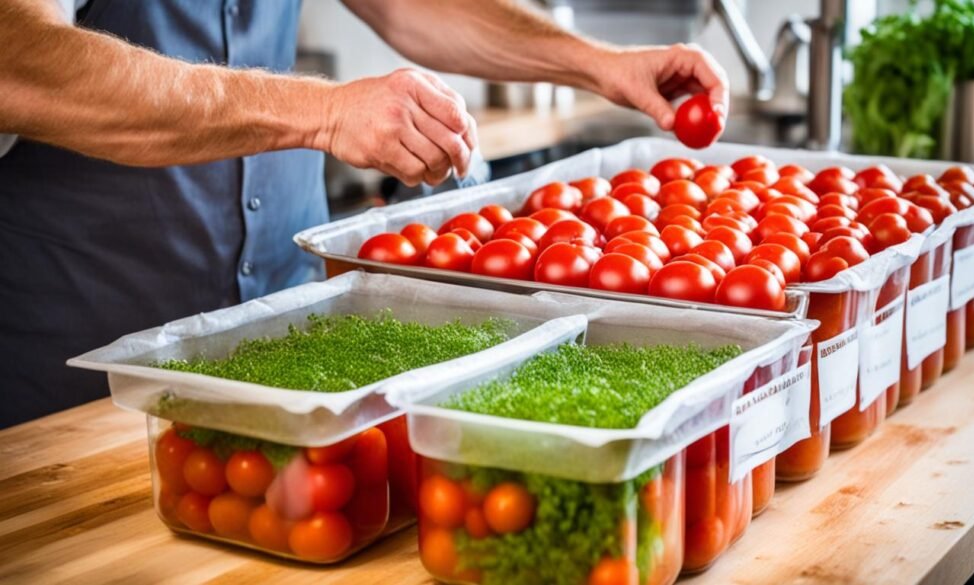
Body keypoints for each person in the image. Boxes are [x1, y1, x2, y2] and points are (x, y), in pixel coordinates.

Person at [0, 0, 729, 427]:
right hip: (82, 373)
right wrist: (321, 113)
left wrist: (595, 62)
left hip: (288, 341)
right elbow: (18, 60)